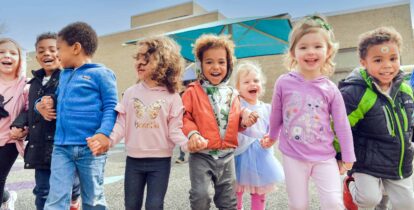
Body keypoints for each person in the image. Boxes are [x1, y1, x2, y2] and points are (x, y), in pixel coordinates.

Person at [96, 36, 205, 210]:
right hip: (133, 160)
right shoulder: (131, 93)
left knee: (154, 205)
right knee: (131, 205)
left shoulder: (172, 97)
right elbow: (121, 124)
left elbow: (174, 130)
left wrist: (187, 145)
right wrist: (109, 141)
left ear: (164, 63)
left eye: (146, 59)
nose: (139, 62)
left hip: (160, 162)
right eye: (137, 58)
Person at [261, 15, 356, 210]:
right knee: (299, 204)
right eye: (303, 47)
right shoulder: (283, 82)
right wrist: (272, 136)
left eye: (317, 46)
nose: (310, 52)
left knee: (333, 203)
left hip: (325, 156)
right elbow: (276, 113)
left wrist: (348, 155)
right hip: (293, 155)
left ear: (328, 51)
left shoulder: (331, 89)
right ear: (293, 52)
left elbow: (342, 124)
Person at [36, 22, 118, 210]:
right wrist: (40, 105)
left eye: (58, 49)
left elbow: (111, 107)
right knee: (55, 200)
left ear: (76, 48)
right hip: (61, 147)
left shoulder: (102, 74)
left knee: (93, 200)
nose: (56, 54)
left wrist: (104, 133)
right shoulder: (63, 75)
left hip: (91, 148)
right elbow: (54, 98)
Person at [340, 27, 414, 210]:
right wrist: (340, 155)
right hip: (366, 160)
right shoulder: (355, 93)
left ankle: (385, 193)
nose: (387, 65)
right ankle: (350, 185)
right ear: (363, 62)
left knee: (408, 204)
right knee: (369, 200)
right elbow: (340, 126)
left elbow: (410, 120)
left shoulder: (405, 89)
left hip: (397, 160)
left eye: (393, 59)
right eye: (378, 60)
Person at [182, 34, 258, 210]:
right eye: (209, 62)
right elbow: (185, 117)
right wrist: (192, 134)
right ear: (200, 65)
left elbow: (234, 119)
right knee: (201, 195)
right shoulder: (192, 91)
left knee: (228, 200)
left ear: (229, 65)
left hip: (227, 155)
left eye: (221, 62)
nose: (216, 67)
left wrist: (244, 121)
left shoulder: (233, 93)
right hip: (201, 154)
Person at [10, 32, 81, 210]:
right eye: (41, 51)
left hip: (63, 146)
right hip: (40, 146)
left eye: (53, 49)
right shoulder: (33, 83)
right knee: (42, 191)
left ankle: (75, 197)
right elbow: (28, 109)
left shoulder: (70, 77)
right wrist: (19, 124)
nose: (47, 54)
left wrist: (49, 103)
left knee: (69, 188)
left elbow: (75, 103)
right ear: (36, 56)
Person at [231, 60, 284, 210]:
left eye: (256, 80)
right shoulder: (237, 106)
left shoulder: (267, 108)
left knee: (260, 192)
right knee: (236, 189)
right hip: (239, 154)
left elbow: (274, 128)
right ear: (237, 88)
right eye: (246, 82)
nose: (252, 84)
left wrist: (271, 138)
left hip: (261, 155)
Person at [0, 38, 28, 210]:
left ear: (20, 59)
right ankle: (7, 196)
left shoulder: (25, 84)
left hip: (9, 140)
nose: (6, 55)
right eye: (1, 52)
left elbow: (28, 111)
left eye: (12, 52)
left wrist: (22, 129)